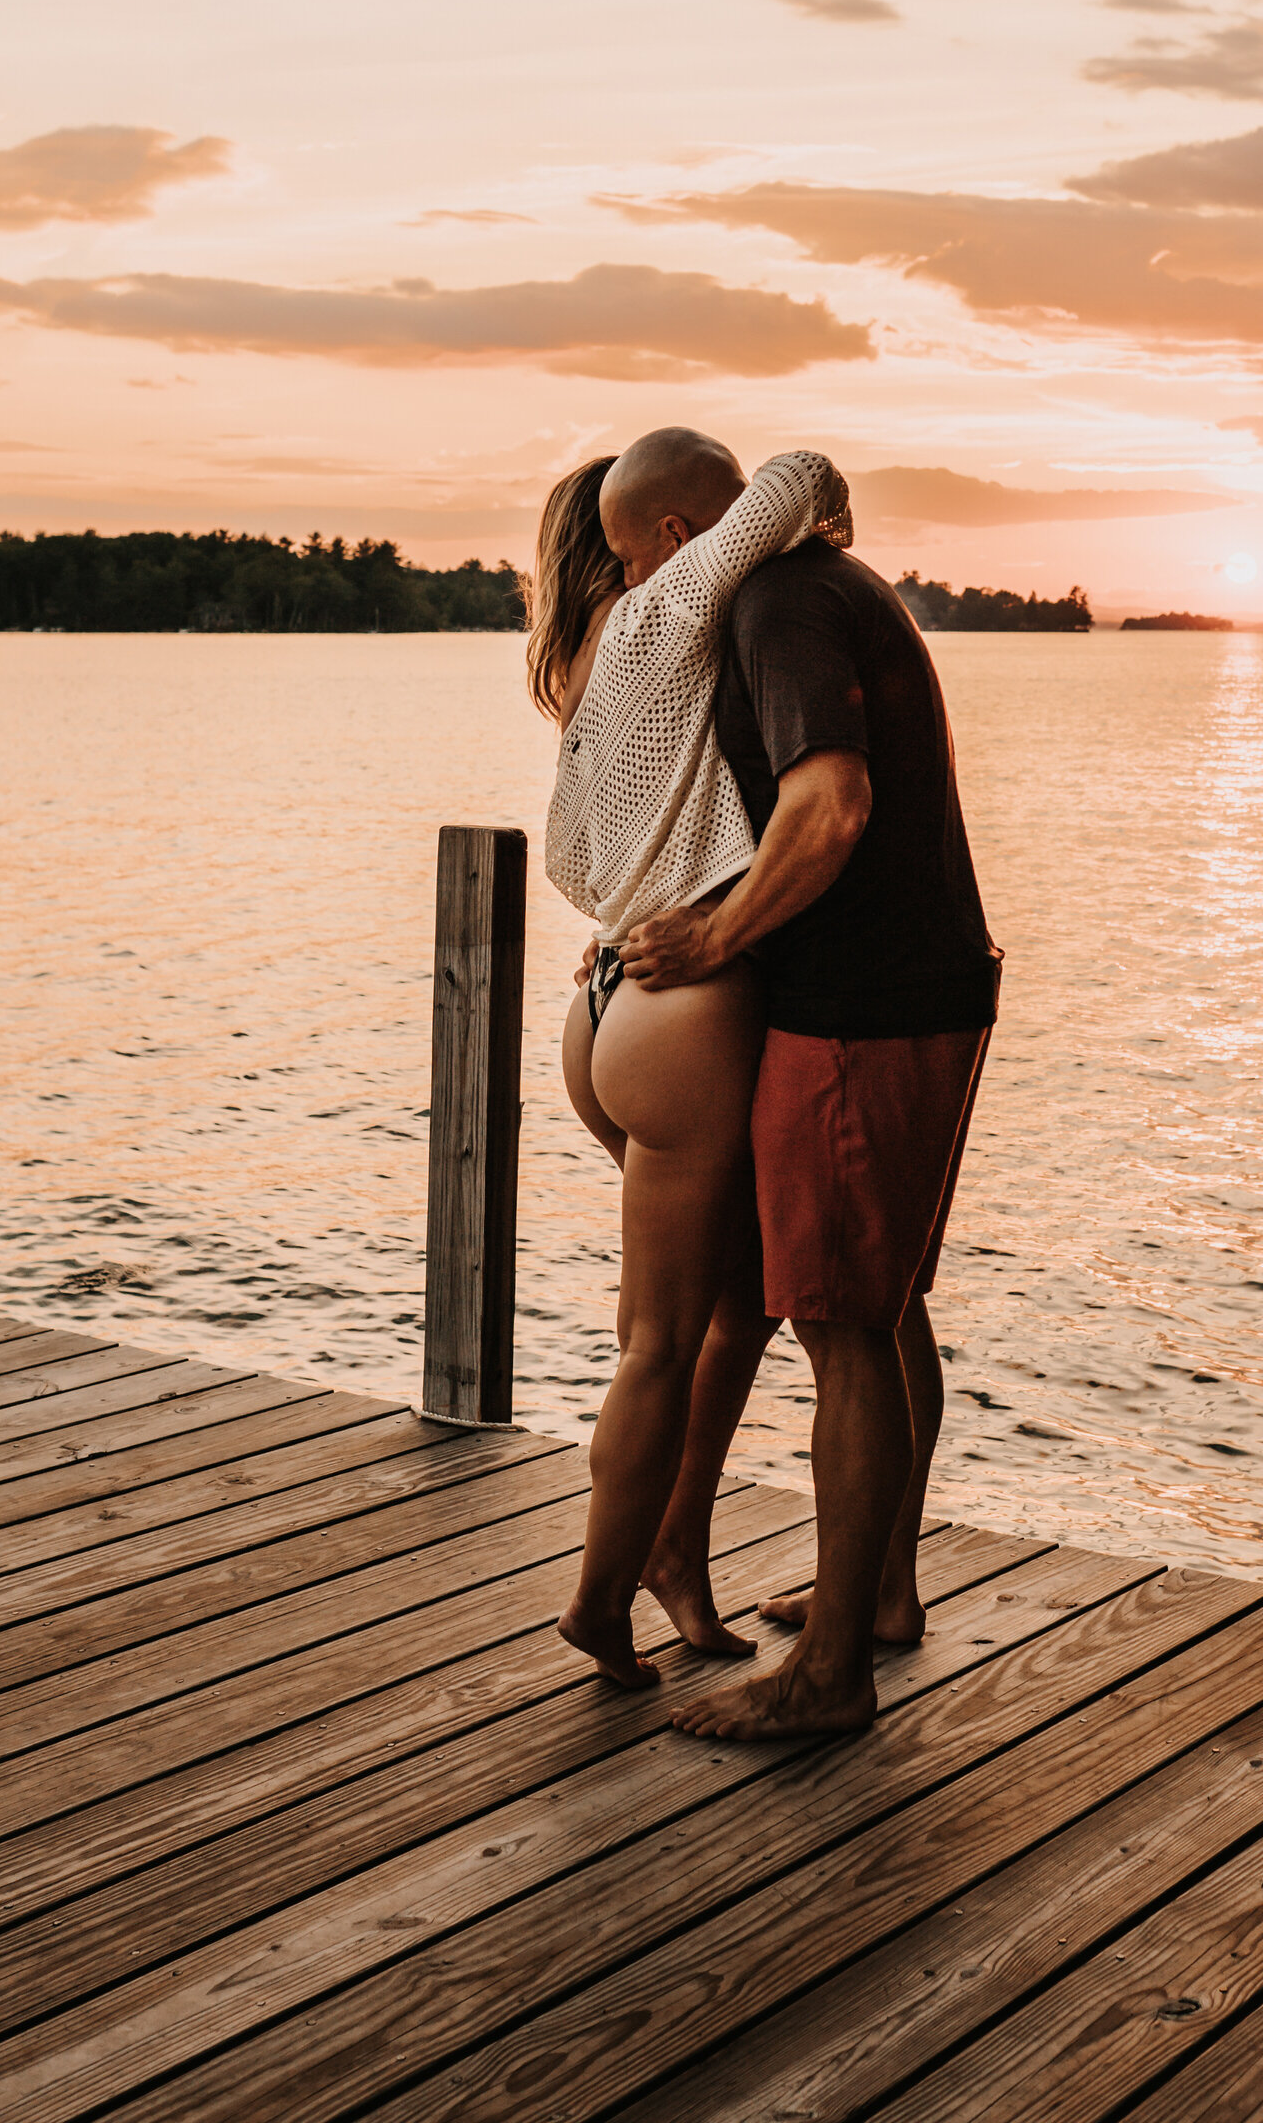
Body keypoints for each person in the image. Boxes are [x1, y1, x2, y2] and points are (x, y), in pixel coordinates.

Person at [614, 461, 1001, 1740]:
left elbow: (829, 806)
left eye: (630, 562)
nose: (634, 591)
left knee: (839, 1326)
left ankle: (827, 1676)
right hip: (921, 985)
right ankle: (879, 1598)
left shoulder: (772, 603)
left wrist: (714, 940)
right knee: (889, 1314)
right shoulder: (833, 583)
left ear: (677, 535)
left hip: (859, 1011)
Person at [530, 430, 851, 1689]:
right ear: (673, 534)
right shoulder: (670, 603)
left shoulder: (599, 646)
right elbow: (799, 474)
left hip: (606, 998)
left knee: (723, 1307)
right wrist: (801, 516)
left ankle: (671, 1562)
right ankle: (600, 1601)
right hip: (684, 1008)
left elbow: (583, 846)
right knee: (662, 1340)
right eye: (707, 526)